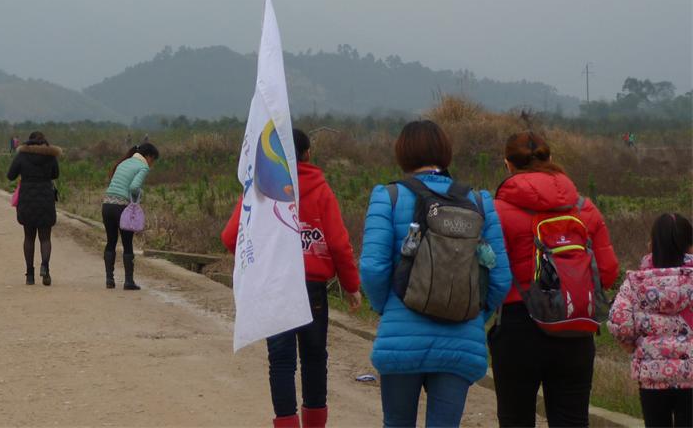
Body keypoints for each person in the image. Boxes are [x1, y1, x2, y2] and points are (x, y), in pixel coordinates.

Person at [359, 120, 512, 428]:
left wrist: (385, 307)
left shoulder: (387, 197)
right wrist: (472, 315)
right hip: (460, 341)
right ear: (445, 153)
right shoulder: (480, 201)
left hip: (401, 336)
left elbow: (373, 268)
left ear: (402, 153)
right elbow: (500, 278)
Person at [221, 129, 361, 428]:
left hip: (274, 285)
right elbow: (338, 243)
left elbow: (231, 237)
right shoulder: (321, 189)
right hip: (312, 288)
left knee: (281, 361)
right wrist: (351, 286)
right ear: (307, 154)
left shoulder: (260, 188)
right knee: (314, 358)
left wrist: (259, 262)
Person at [490, 131, 619, 427]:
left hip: (517, 326)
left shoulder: (497, 212)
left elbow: (490, 275)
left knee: (515, 419)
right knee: (573, 420)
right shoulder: (584, 208)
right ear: (551, 160)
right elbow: (608, 273)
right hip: (575, 326)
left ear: (508, 164)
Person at [608, 213, 693, 428]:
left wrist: (631, 346)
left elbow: (620, 324)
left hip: (652, 377)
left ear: (651, 244)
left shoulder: (636, 282)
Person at [102, 142, 160, 291]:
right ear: (149, 156)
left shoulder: (124, 162)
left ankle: (109, 279)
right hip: (122, 207)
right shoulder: (143, 166)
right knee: (127, 243)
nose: (151, 164)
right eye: (153, 160)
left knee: (111, 241)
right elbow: (134, 187)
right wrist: (140, 195)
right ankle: (128, 281)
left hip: (107, 205)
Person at [7, 131, 61, 286]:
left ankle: (30, 275)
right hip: (45, 197)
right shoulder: (50, 156)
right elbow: (55, 174)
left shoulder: (22, 155)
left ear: (29, 141)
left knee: (29, 237)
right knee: (45, 237)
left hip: (27, 198)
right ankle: (45, 267)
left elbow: (10, 175)